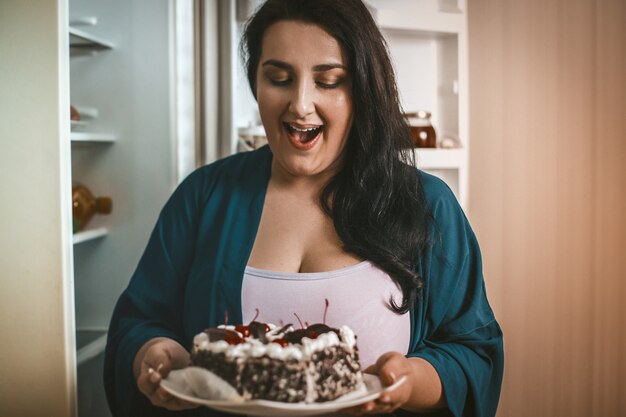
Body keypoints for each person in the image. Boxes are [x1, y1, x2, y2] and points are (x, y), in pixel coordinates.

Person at [104, 0, 504, 416]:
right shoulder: (203, 197)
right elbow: (138, 322)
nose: (300, 104)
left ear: (362, 89)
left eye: (329, 81)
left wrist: (412, 380)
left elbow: (474, 352)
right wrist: (154, 351)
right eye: (279, 78)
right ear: (255, 81)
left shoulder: (428, 205)